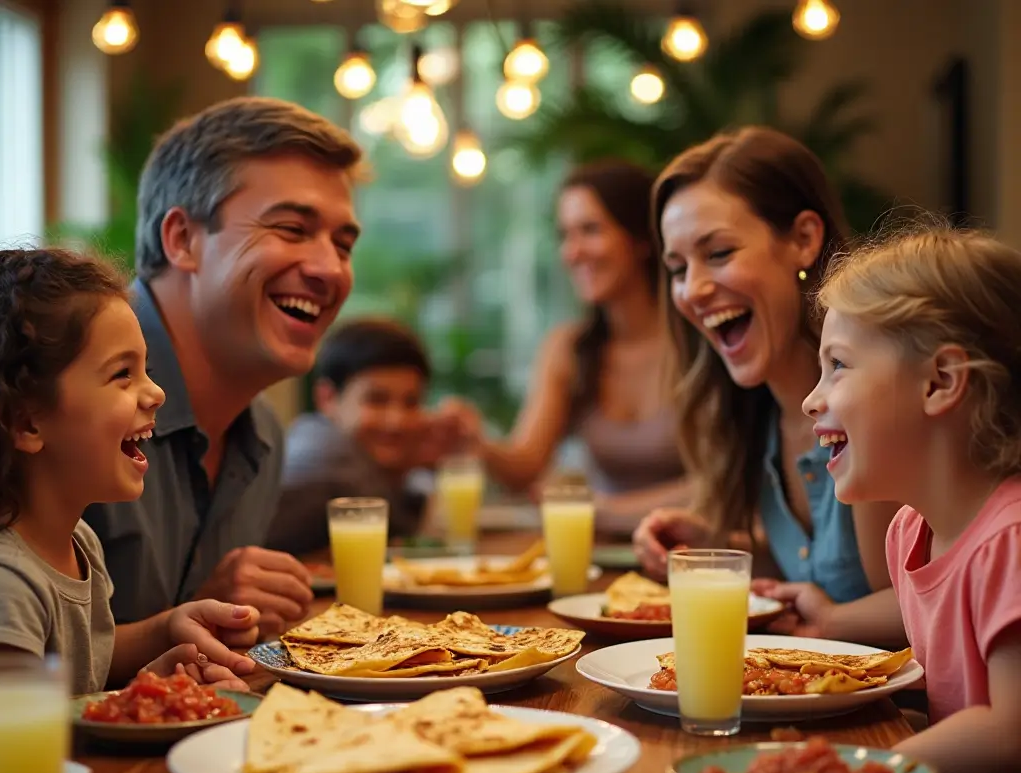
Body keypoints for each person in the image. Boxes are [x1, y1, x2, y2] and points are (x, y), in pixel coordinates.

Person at [83, 97, 365, 636]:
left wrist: (210, 611)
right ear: (183, 240)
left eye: (344, 244)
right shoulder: (54, 391)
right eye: (291, 229)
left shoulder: (263, 435)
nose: (331, 269)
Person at [803, 224, 1021, 773]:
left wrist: (875, 766)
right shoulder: (911, 531)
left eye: (837, 366)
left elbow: (1008, 730)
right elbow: (926, 605)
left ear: (940, 381)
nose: (814, 397)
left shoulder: (1011, 538)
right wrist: (829, 620)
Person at [631, 127, 905, 647]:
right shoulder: (752, 413)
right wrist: (719, 545)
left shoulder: (869, 402)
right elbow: (819, 571)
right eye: (676, 268)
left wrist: (833, 622)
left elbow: (943, 592)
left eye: (718, 253)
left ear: (803, 239)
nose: (693, 290)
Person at [0, 248, 259, 695]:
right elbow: (23, 747)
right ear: (28, 422)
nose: (156, 392)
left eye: (147, 370)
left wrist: (155, 663)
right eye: (122, 374)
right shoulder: (9, 584)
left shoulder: (80, 543)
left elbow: (83, 663)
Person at [436, 160, 687, 535]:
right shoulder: (570, 348)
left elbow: (725, 486)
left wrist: (601, 511)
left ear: (641, 239)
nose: (572, 252)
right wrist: (477, 442)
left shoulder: (701, 343)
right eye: (565, 235)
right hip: (602, 557)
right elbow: (525, 466)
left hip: (696, 558)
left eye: (590, 230)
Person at [265, 317, 435, 555]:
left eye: (411, 402)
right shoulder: (325, 456)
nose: (397, 421)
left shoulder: (316, 436)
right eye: (377, 400)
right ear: (328, 399)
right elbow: (402, 538)